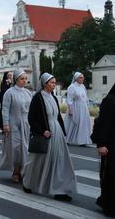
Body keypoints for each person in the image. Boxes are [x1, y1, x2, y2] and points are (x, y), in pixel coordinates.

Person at [23, 73, 76, 201]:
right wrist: (42, 131)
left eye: (54, 82)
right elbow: (31, 118)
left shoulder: (53, 97)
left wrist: (62, 132)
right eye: (52, 82)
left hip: (56, 132)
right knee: (37, 160)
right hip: (44, 134)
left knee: (59, 161)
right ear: (45, 83)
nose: (54, 84)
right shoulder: (37, 98)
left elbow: (57, 116)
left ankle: (59, 189)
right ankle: (27, 183)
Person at [0, 69, 32, 183]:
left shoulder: (28, 93)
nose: (24, 81)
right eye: (22, 79)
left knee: (25, 148)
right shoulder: (10, 93)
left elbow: (31, 110)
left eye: (25, 79)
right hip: (14, 124)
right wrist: (6, 124)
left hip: (26, 124)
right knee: (16, 149)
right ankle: (15, 171)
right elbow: (5, 109)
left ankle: (23, 170)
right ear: (16, 80)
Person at [91, 84, 115, 217]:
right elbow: (103, 124)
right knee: (110, 176)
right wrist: (101, 144)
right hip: (111, 145)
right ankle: (109, 205)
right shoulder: (110, 100)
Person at [64, 72, 92, 146]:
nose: (82, 79)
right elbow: (69, 99)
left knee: (83, 124)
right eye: (80, 77)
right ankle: (67, 139)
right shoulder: (72, 87)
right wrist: (70, 110)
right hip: (75, 107)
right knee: (73, 124)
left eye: (83, 77)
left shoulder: (83, 86)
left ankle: (82, 141)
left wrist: (87, 107)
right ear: (76, 78)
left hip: (83, 108)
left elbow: (85, 98)